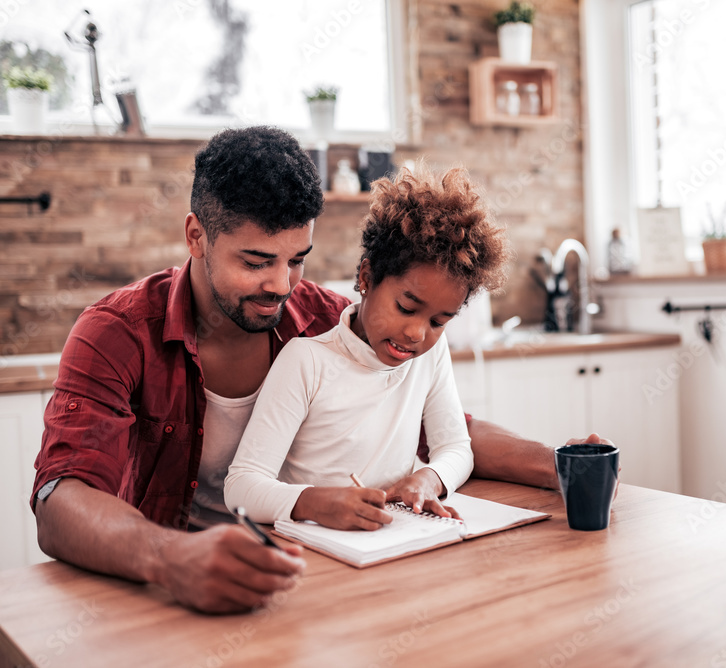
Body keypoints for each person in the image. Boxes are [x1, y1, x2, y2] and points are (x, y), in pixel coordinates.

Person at [32, 126, 604, 614]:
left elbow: (451, 429)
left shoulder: (324, 318)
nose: (281, 285)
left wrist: (561, 465)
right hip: (166, 582)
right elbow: (61, 501)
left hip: (311, 574)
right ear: (196, 236)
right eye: (256, 262)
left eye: (296, 259)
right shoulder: (116, 333)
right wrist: (168, 556)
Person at [224, 166, 510, 529]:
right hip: (314, 552)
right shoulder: (306, 362)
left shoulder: (430, 355)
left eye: (439, 321)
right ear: (366, 277)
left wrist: (430, 479)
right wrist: (313, 502)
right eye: (406, 308)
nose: (416, 333)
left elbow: (456, 448)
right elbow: (241, 486)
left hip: (391, 544)